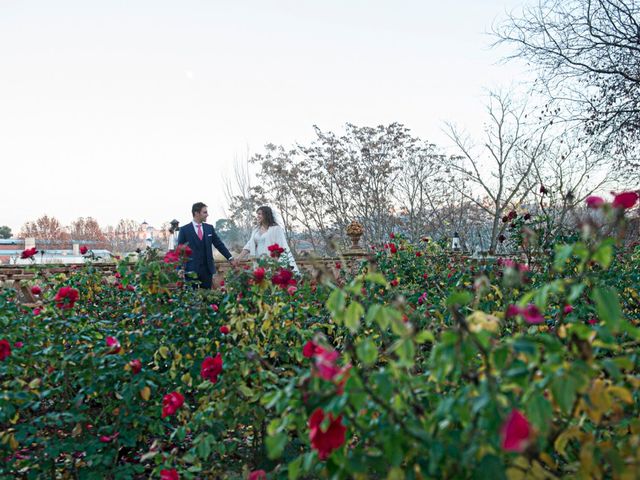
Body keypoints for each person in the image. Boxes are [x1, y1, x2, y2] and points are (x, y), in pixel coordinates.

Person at [177, 202, 235, 289]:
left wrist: (230, 258)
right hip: (191, 271)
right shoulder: (184, 230)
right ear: (196, 213)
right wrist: (179, 269)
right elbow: (180, 251)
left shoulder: (209, 228)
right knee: (191, 299)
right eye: (205, 212)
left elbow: (219, 245)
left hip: (207, 270)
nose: (207, 215)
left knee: (207, 297)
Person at [237, 205, 298, 272]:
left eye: (259, 214)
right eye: (257, 214)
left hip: (270, 260)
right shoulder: (256, 230)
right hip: (258, 260)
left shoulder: (276, 229)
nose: (257, 216)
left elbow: (281, 246)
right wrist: (239, 258)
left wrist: (276, 263)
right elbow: (249, 245)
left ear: (266, 214)